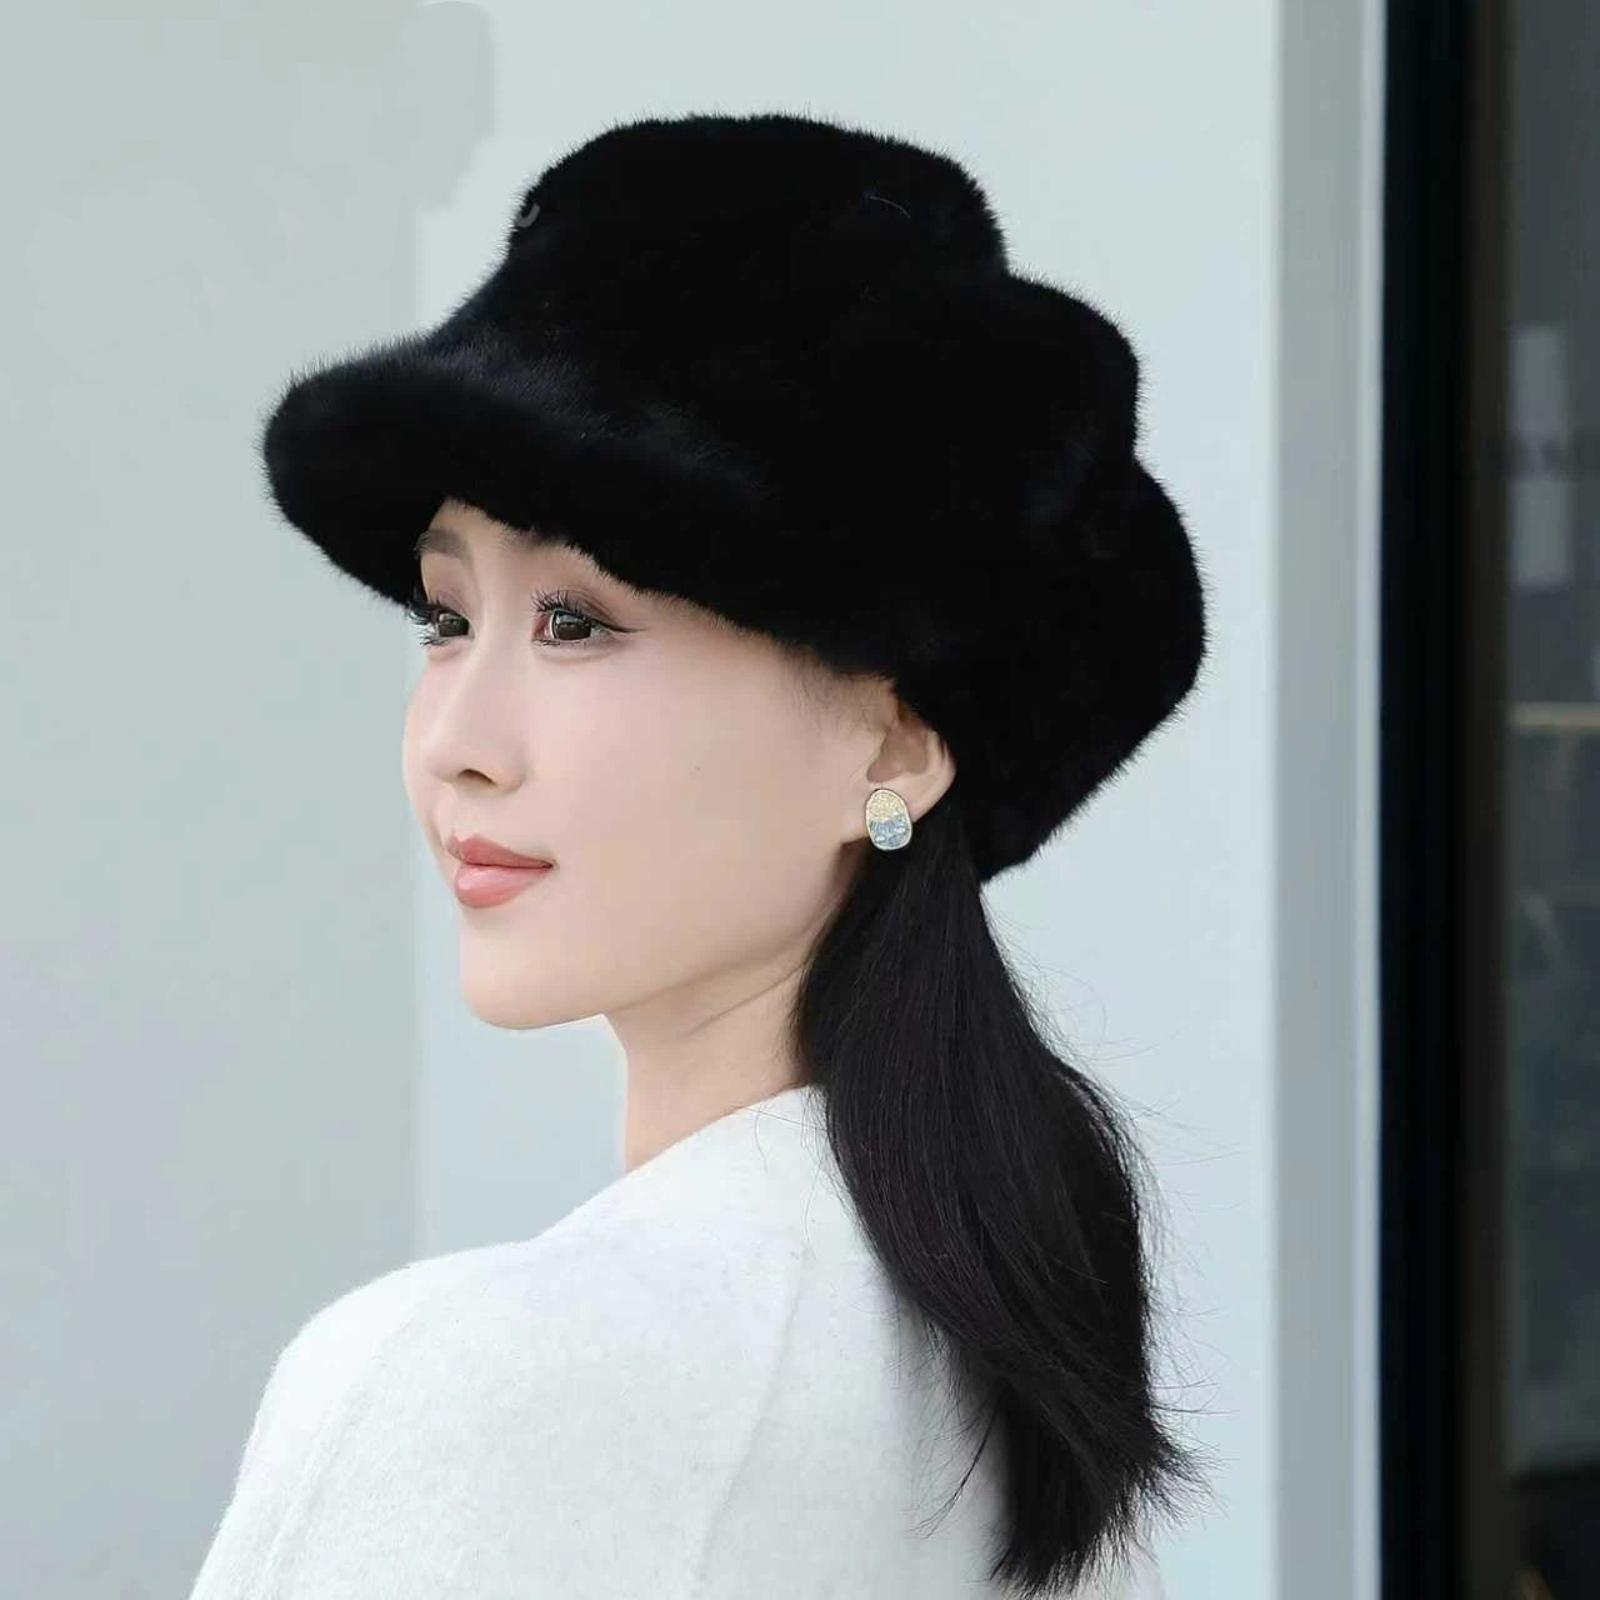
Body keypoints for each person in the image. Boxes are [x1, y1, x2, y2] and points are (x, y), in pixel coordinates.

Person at [187, 109, 1218, 1599]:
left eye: (578, 623)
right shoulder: (992, 1361)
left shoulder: (481, 1388)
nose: (457, 741)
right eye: (446, 618)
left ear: (892, 745)